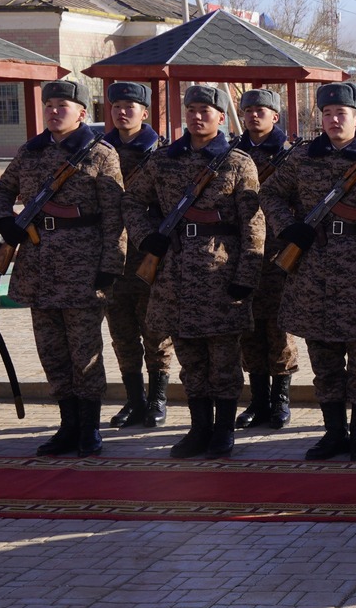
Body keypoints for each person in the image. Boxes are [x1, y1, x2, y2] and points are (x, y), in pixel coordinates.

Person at [259, 81, 356, 462]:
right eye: (327, 113)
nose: (334, 119)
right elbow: (268, 193)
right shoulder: (303, 158)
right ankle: (333, 433)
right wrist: (287, 226)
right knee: (323, 361)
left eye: (341, 114)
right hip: (312, 273)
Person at [126, 85, 264, 459]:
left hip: (220, 273)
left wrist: (246, 274)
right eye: (192, 110)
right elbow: (133, 200)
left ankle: (223, 431)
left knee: (223, 361)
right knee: (190, 360)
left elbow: (254, 224)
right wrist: (146, 238)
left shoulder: (238, 163)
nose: (197, 116)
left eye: (206, 110)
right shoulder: (163, 161)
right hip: (174, 274)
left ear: (221, 117)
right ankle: (198, 428)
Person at [0, 80, 125, 458]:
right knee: (52, 353)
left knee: (85, 353)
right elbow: (1, 190)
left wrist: (111, 265)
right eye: (49, 104)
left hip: (83, 267)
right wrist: (4, 221)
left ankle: (89, 429)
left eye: (63, 105)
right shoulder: (30, 152)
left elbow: (115, 217)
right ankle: (66, 426)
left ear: (82, 112)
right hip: (38, 266)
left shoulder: (99, 154)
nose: (53, 111)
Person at [99, 82, 172, 431]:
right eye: (116, 107)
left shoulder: (162, 153)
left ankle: (158, 399)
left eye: (130, 106)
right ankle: (134, 399)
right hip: (112, 254)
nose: (122, 112)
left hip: (149, 254)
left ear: (145, 112)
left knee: (155, 328)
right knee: (121, 329)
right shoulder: (98, 151)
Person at [235, 88, 299, 430]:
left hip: (278, 252)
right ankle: (258, 401)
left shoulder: (292, 156)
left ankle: (281, 400)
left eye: (261, 110)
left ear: (275, 117)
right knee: (249, 328)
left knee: (279, 328)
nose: (254, 115)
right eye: (248, 110)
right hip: (242, 253)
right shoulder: (232, 154)